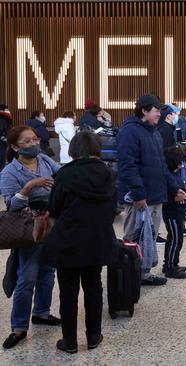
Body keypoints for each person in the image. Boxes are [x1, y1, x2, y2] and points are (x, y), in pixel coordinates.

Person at [41, 131, 118, 353]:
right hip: (98, 238)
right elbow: (113, 208)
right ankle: (94, 336)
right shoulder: (109, 173)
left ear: (73, 150)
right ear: (97, 148)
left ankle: (70, 342)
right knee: (94, 287)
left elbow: (54, 208)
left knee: (68, 291)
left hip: (69, 239)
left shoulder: (65, 174)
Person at [117, 94, 186, 286]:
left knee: (149, 237)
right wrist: (139, 194)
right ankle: (129, 276)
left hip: (155, 196)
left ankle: (144, 273)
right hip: (139, 198)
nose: (160, 114)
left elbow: (161, 167)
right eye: (157, 111)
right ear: (144, 111)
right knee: (133, 237)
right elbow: (127, 166)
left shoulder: (153, 133)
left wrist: (174, 189)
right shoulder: (130, 132)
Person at [0, 126, 60, 349]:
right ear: (15, 147)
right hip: (27, 229)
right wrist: (29, 187)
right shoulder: (9, 172)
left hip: (50, 222)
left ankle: (42, 313)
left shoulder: (44, 159)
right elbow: (11, 205)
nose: (33, 144)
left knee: (48, 272)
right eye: (26, 142)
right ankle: (18, 326)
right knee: (27, 277)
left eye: (35, 139)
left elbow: (60, 175)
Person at [161, 147, 186, 279]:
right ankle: (170, 267)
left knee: (176, 239)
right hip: (172, 214)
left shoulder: (175, 174)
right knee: (175, 240)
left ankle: (173, 263)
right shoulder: (168, 175)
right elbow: (174, 189)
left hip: (178, 214)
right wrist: (179, 193)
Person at [0, 104, 12, 171]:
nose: (8, 110)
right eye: (6, 109)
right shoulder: (3, 119)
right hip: (1, 143)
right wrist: (4, 136)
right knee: (1, 159)